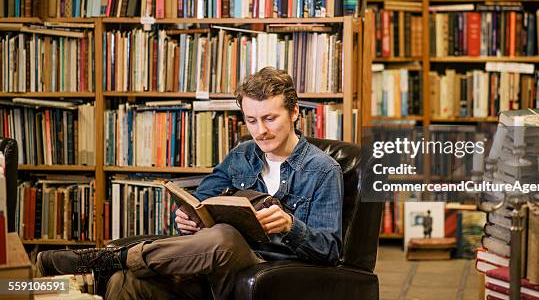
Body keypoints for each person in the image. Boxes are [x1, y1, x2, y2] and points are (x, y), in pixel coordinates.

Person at [36, 67, 344, 299]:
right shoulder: (241, 155)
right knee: (127, 283)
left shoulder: (322, 169)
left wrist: (290, 225)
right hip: (209, 266)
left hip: (267, 269)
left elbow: (330, 251)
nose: (260, 130)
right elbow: (201, 199)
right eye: (251, 120)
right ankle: (113, 266)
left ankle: (106, 258)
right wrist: (187, 217)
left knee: (224, 235)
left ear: (294, 113)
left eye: (269, 118)